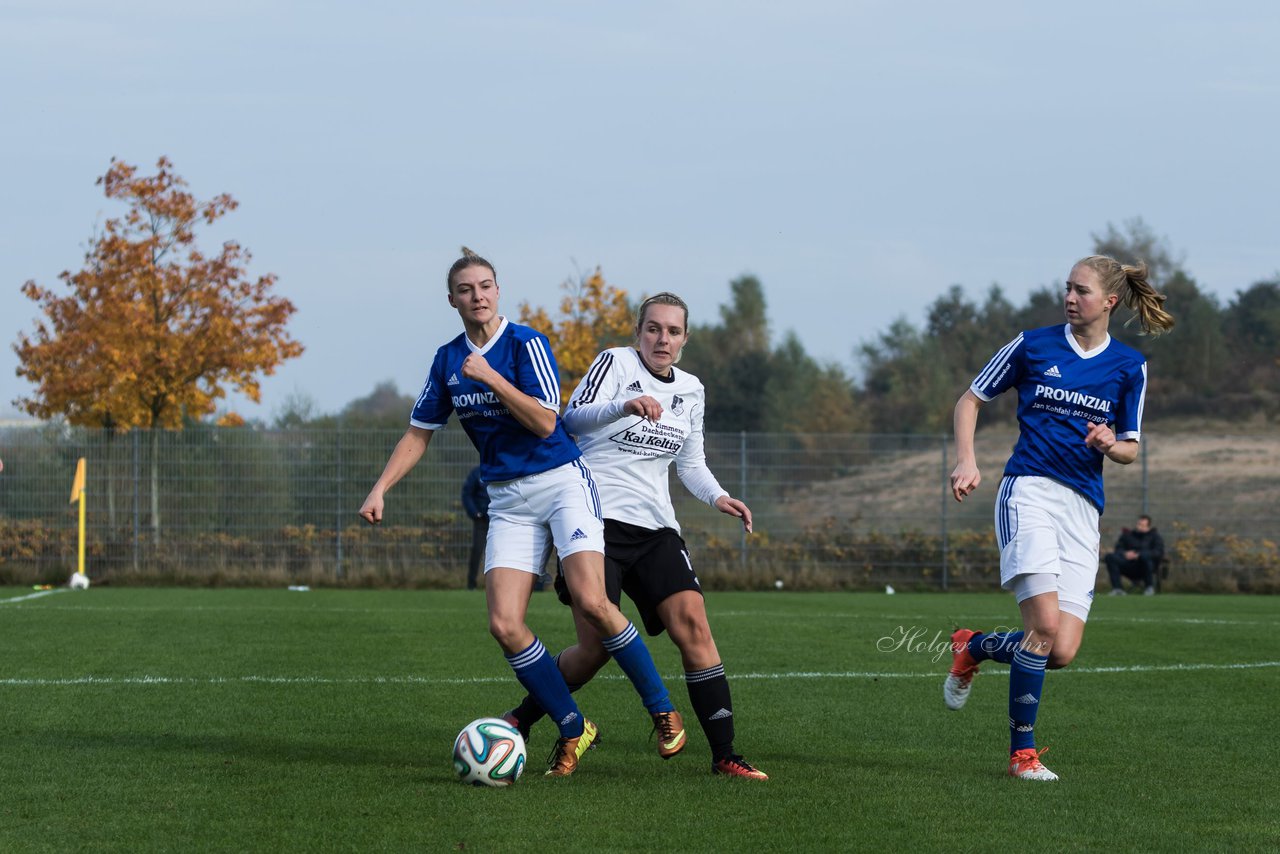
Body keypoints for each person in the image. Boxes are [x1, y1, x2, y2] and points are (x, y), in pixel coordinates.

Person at [359, 250, 683, 777]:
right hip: (507, 499)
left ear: (498, 291)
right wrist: (380, 489)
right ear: (452, 300)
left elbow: (543, 421)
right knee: (505, 624)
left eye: (486, 286)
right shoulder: (447, 360)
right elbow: (419, 433)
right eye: (466, 290)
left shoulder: (526, 343)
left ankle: (662, 709)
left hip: (561, 484)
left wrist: (489, 376)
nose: (478, 296)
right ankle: (574, 727)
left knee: (593, 601)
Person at [502, 292, 768, 780]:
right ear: (638, 332)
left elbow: (690, 463)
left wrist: (719, 497)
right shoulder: (616, 362)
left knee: (695, 626)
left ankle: (725, 754)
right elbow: (571, 419)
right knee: (595, 648)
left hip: (657, 528)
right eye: (653, 329)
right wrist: (624, 405)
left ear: (685, 339)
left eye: (672, 331)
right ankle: (524, 718)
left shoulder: (691, 389)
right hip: (593, 521)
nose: (661, 338)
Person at [944, 254, 1175, 781]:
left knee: (1062, 650)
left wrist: (1109, 442)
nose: (1070, 298)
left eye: (1082, 291)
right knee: (1043, 628)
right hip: (1028, 492)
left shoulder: (1128, 365)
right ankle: (1022, 756)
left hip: (1082, 508)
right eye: (1067, 289)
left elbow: (1131, 450)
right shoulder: (1033, 344)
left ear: (1110, 302)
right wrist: (966, 459)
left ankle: (973, 645)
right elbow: (970, 399)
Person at [1105, 514, 1165, 596]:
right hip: (1128, 565)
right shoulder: (1128, 535)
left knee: (1145, 557)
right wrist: (1125, 553)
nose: (1139, 527)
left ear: (1148, 526)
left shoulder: (1155, 537)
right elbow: (1118, 549)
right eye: (1138, 524)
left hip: (1145, 567)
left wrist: (1139, 555)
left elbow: (1158, 552)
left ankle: (1149, 588)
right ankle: (1117, 589)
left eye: (1142, 525)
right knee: (1110, 557)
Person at [460, 465, 489, 590]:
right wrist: (475, 513)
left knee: (502, 553)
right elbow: (467, 494)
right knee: (477, 550)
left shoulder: (503, 469)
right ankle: (471, 584)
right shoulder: (477, 473)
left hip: (501, 519)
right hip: (482, 521)